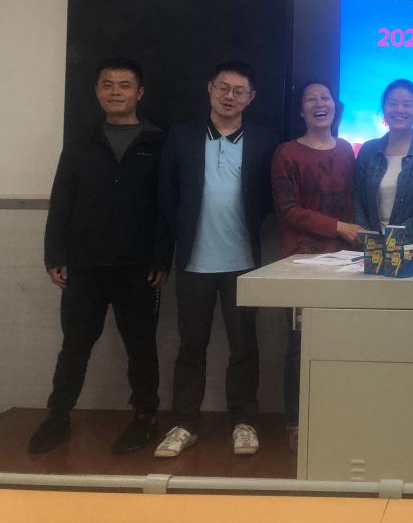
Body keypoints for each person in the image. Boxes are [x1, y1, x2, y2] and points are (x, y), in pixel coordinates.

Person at [29, 57, 170, 455]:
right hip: (84, 265)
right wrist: (54, 254)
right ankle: (58, 415)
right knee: (75, 345)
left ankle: (145, 416)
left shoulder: (159, 143)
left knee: (141, 346)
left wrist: (162, 259)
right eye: (107, 85)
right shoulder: (80, 142)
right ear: (96, 92)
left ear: (139, 93)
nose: (115, 92)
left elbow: (166, 208)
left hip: (139, 268)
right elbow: (62, 201)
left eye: (124, 85)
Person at [155, 61, 278, 458]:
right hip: (194, 262)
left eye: (239, 91)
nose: (230, 96)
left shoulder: (265, 140)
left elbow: (269, 199)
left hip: (243, 262)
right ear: (210, 89)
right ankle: (185, 424)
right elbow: (166, 196)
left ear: (251, 98)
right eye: (223, 87)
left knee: (244, 346)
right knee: (191, 345)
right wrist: (165, 254)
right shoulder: (182, 136)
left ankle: (244, 422)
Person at [271, 80, 359, 452]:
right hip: (303, 262)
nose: (319, 103)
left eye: (325, 98)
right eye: (311, 99)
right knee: (300, 344)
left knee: (343, 342)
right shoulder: (286, 153)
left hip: (348, 263)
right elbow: (288, 211)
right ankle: (296, 422)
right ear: (301, 110)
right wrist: (338, 227)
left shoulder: (347, 151)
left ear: (335, 107)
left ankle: (337, 415)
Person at [353, 79, 413, 254]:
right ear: (383, 108)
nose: (399, 110)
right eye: (392, 103)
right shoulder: (368, 151)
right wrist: (371, 240)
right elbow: (358, 200)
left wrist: (392, 245)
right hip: (374, 250)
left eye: (407, 104)